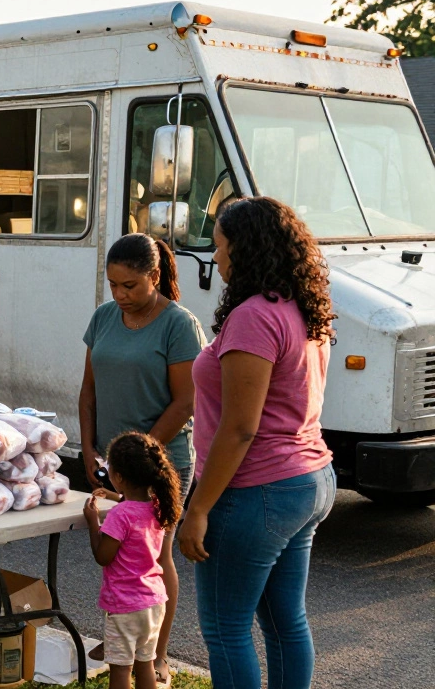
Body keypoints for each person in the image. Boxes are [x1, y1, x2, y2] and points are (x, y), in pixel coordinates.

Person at [178, 197, 336, 689]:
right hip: (306, 480)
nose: (217, 258)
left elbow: (240, 427)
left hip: (257, 488)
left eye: (222, 247)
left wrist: (199, 508)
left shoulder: (254, 315)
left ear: (246, 250)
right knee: (285, 621)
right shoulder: (299, 306)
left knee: (226, 630)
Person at [79, 232, 205, 684]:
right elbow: (89, 392)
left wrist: (137, 458)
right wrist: (91, 447)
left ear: (154, 276)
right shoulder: (104, 318)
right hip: (116, 463)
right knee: (121, 554)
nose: (119, 295)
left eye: (129, 286)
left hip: (159, 464)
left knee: (155, 556)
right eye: (112, 285)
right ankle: (124, 641)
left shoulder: (178, 324)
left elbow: (185, 401)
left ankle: (154, 654)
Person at [83, 432, 182, 689]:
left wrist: (93, 523)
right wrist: (117, 497)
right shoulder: (159, 507)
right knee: (144, 664)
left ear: (119, 477)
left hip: (125, 607)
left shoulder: (120, 515)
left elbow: (103, 557)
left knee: (120, 670)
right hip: (153, 603)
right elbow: (135, 505)